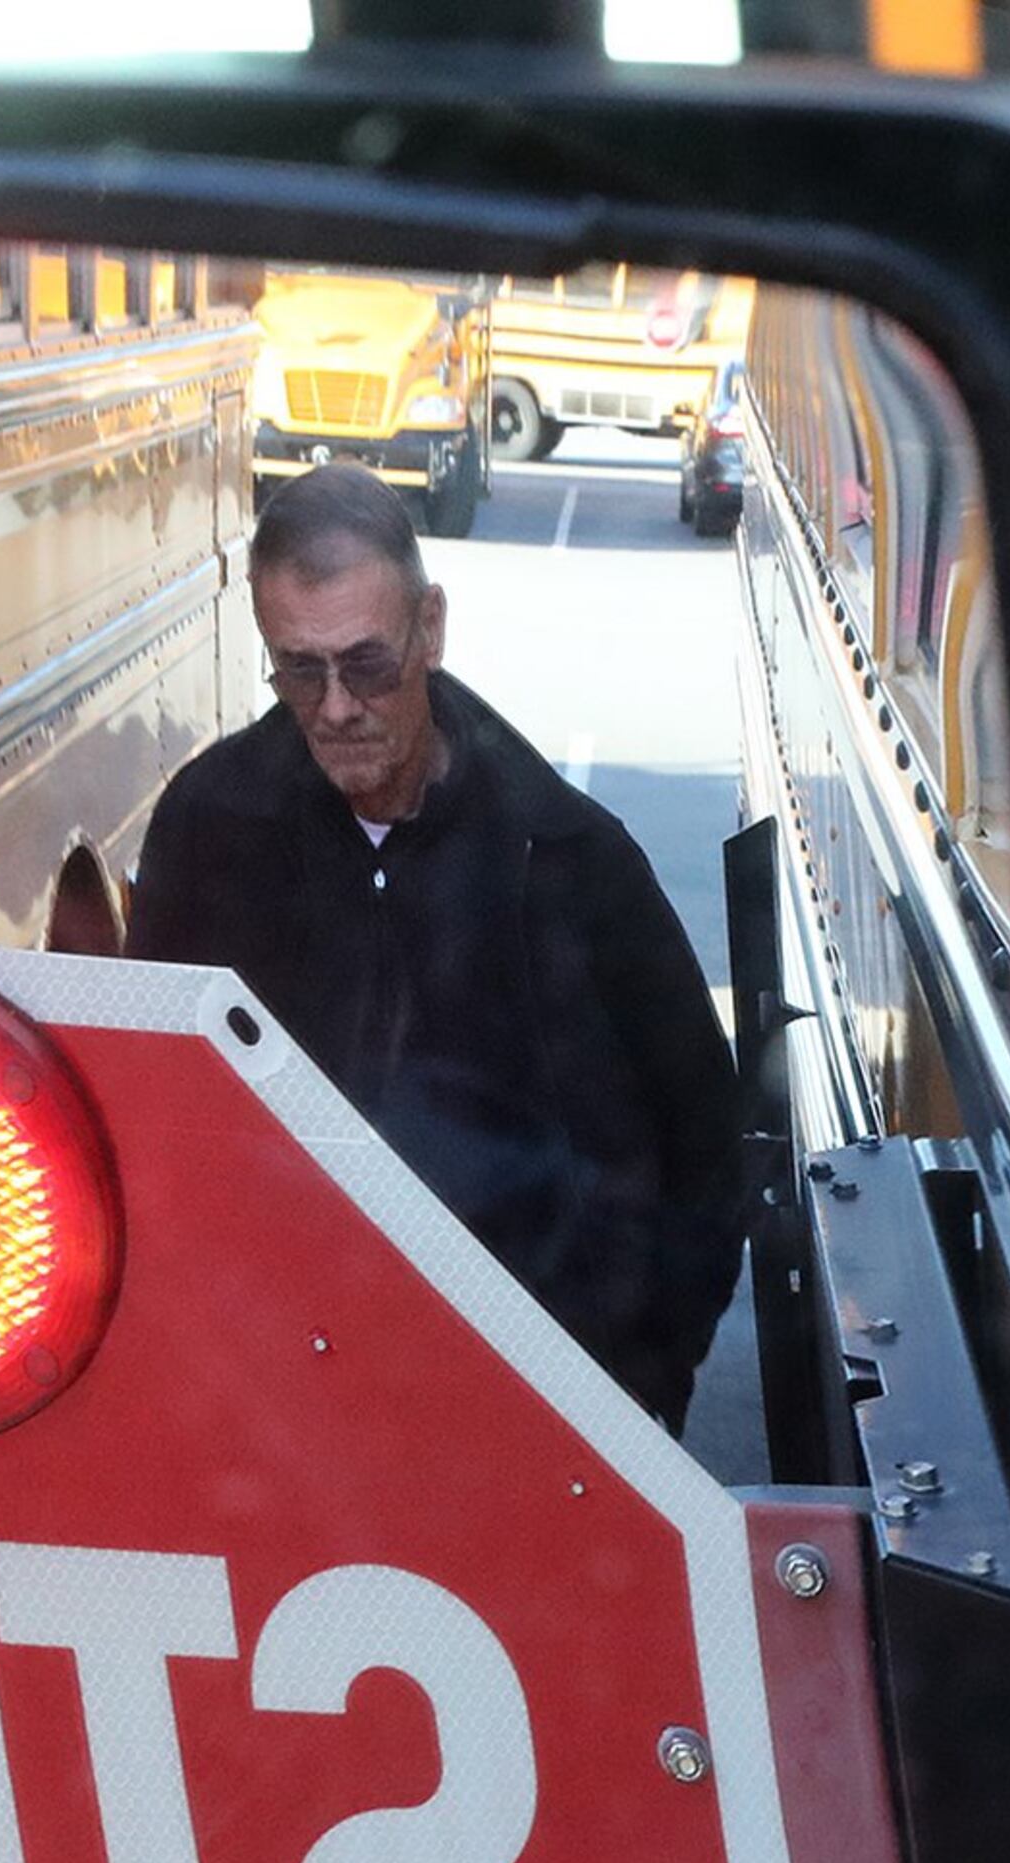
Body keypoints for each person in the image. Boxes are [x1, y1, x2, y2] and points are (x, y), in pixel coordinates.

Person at [129, 463, 744, 1430]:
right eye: (299, 668)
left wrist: (646, 1376)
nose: (334, 708)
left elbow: (703, 1134)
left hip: (539, 1418)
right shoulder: (210, 832)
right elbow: (155, 1120)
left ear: (430, 631)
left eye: (365, 665)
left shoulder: (571, 859)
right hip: (283, 1416)